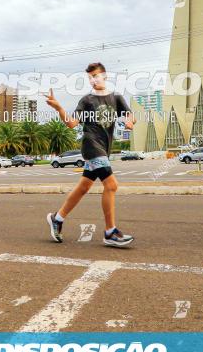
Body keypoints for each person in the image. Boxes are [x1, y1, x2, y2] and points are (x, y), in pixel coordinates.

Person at [44, 62, 136, 247]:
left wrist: (129, 122)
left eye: (96, 75)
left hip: (104, 147)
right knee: (111, 185)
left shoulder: (116, 97)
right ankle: (110, 232)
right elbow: (71, 123)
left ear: (105, 76)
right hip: (92, 145)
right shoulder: (87, 100)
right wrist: (59, 108)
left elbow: (130, 115)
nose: (94, 80)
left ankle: (57, 218)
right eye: (90, 78)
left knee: (84, 187)